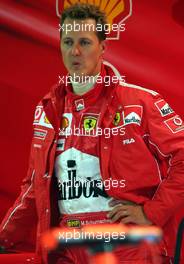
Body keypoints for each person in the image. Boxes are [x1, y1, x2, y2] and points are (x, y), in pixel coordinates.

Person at [0, 3, 184, 264]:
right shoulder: (47, 110)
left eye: (85, 42)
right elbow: (34, 187)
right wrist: (4, 238)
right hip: (65, 246)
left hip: (127, 247)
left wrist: (152, 213)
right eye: (67, 42)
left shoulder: (141, 102)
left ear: (103, 48)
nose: (75, 51)